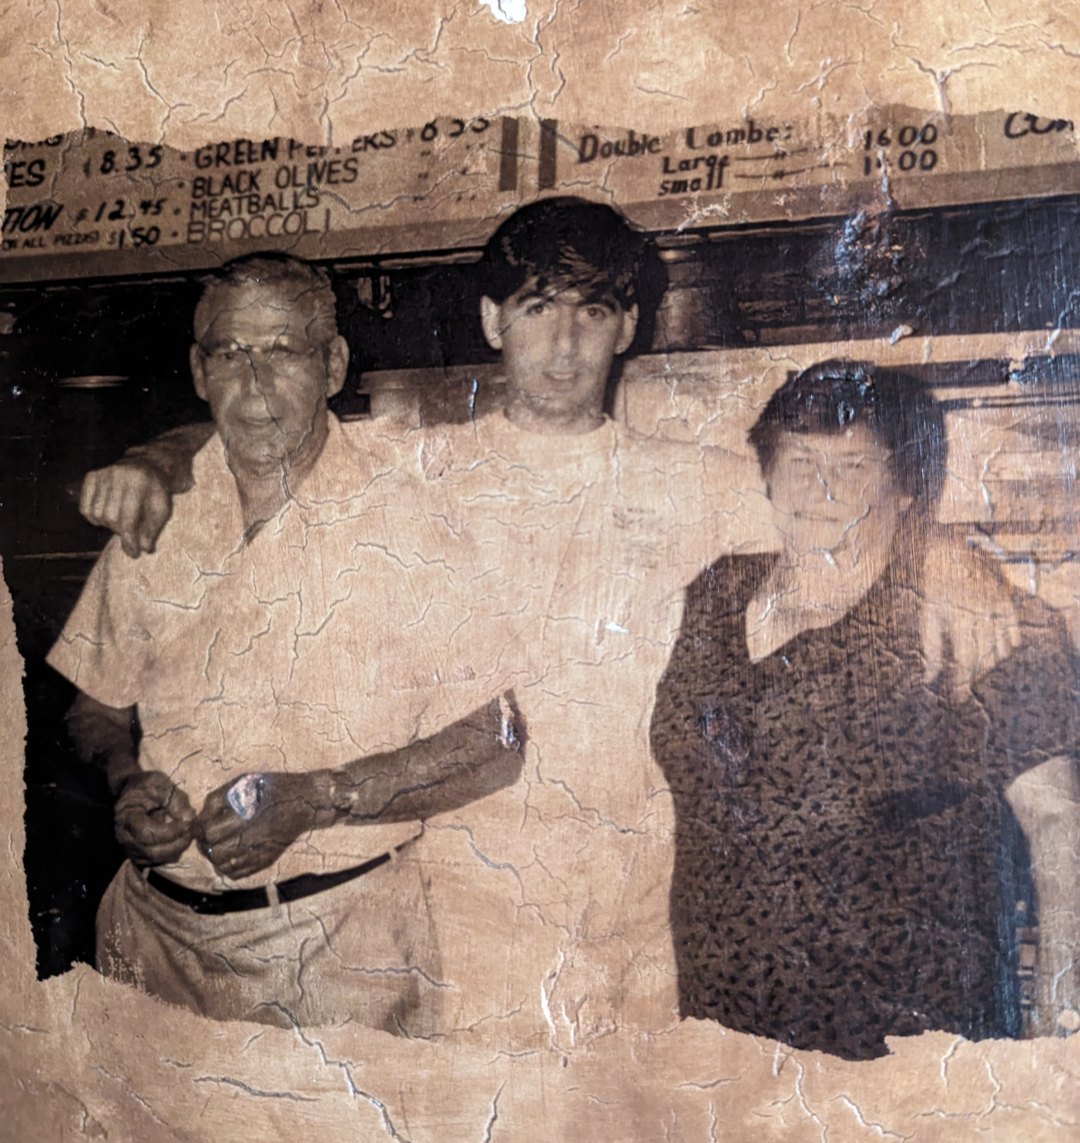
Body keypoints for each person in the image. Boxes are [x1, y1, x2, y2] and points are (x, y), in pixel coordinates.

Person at [75, 202, 1023, 1051]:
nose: (564, 346)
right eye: (536, 309)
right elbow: (262, 417)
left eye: (592, 312)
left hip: (641, 890)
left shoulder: (697, 479)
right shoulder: (417, 466)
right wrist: (153, 457)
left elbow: (842, 512)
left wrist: (952, 560)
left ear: (630, 325)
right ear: (493, 320)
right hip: (466, 893)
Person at [48, 254, 524, 1033]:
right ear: (199, 373)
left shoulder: (409, 516)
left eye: (283, 351)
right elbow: (93, 709)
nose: (255, 383)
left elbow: (499, 741)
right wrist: (126, 778)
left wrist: (316, 798)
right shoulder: (157, 514)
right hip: (150, 948)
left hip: (339, 960)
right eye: (231, 353)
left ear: (333, 364)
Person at [650, 361, 1080, 1060]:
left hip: (907, 1050)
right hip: (723, 1035)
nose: (821, 490)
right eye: (799, 460)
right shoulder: (716, 595)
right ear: (765, 473)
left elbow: (1062, 825)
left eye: (854, 465)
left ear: (907, 486)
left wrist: (1061, 1022)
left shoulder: (986, 624)